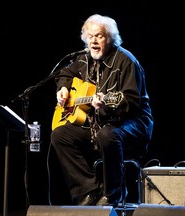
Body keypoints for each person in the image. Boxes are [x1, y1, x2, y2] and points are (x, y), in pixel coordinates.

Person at [50, 14, 153, 207]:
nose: (93, 41)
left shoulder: (126, 61)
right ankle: (88, 190)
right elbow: (65, 73)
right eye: (90, 36)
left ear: (110, 39)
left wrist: (107, 104)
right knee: (60, 135)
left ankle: (113, 194)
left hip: (132, 125)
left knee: (107, 135)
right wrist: (63, 88)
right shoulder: (82, 59)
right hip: (98, 124)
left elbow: (131, 100)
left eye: (99, 36)